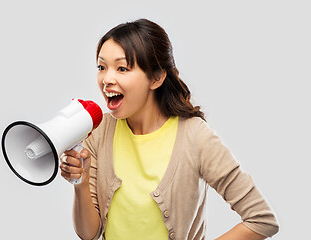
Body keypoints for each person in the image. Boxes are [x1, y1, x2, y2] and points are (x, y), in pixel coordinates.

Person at [59, 19, 279, 240]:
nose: (107, 79)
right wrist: (82, 182)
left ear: (156, 78)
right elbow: (89, 233)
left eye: (122, 68)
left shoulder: (195, 136)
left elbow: (261, 220)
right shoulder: (99, 131)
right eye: (102, 67)